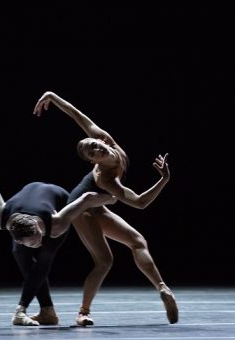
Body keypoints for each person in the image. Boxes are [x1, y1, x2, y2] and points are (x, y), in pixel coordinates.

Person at [33, 91, 179, 326]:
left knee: (138, 241)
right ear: (94, 162)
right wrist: (164, 180)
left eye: (95, 145)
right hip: (81, 209)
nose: (98, 149)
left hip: (97, 206)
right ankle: (83, 312)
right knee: (104, 261)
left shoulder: (105, 139)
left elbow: (77, 115)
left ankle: (163, 288)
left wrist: (52, 95)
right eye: (93, 153)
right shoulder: (106, 179)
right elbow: (140, 202)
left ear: (99, 141)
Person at [0, 121, 117, 326]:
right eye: (32, 242)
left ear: (38, 227)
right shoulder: (0, 217)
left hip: (57, 198)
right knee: (19, 254)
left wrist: (112, 197)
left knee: (45, 257)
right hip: (26, 211)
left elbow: (85, 199)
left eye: (38, 238)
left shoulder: (56, 223)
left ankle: (21, 310)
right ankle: (47, 311)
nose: (38, 243)